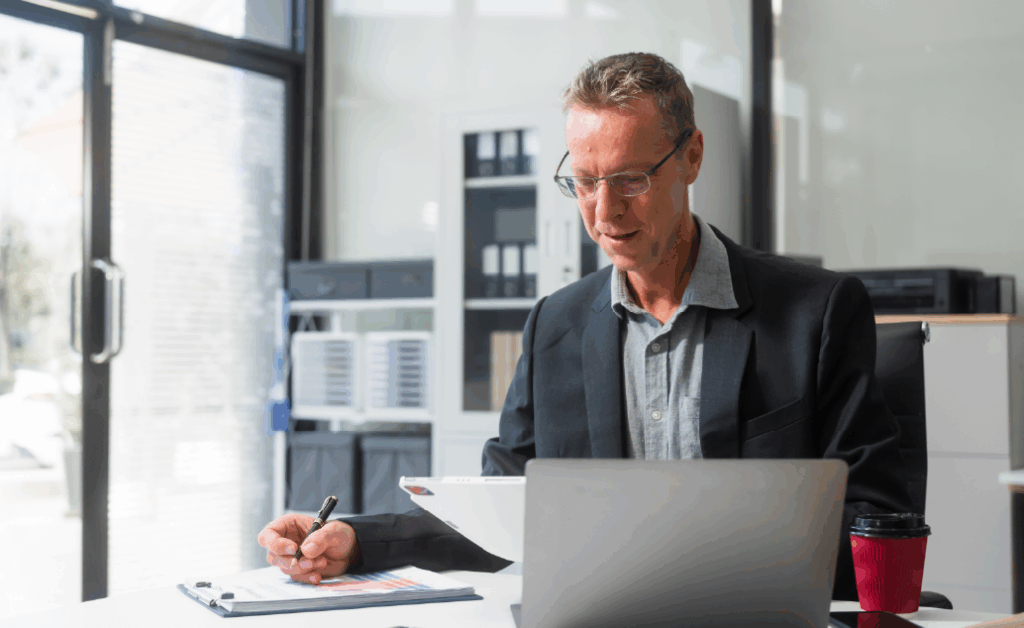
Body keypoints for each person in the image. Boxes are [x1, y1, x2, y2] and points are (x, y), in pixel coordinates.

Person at [258, 52, 912, 600]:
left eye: (630, 180)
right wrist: (362, 539)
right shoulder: (555, 327)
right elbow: (507, 509)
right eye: (585, 181)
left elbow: (877, 518)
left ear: (691, 158)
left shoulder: (815, 313)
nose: (604, 213)